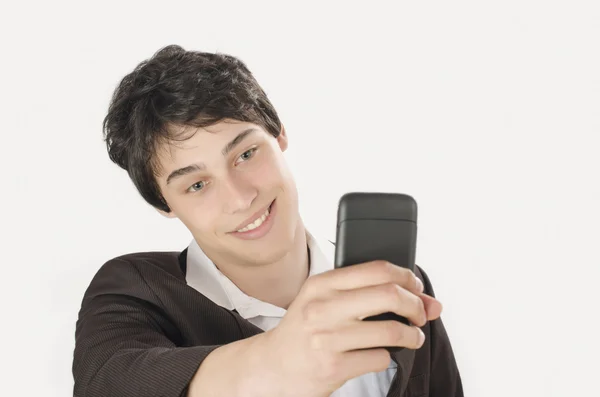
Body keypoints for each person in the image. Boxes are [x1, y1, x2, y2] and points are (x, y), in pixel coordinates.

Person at [72, 45, 463, 397]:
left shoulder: (393, 282)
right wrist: (275, 362)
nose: (241, 199)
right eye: (197, 185)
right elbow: (110, 383)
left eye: (245, 155)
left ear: (279, 136)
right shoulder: (135, 290)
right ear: (163, 204)